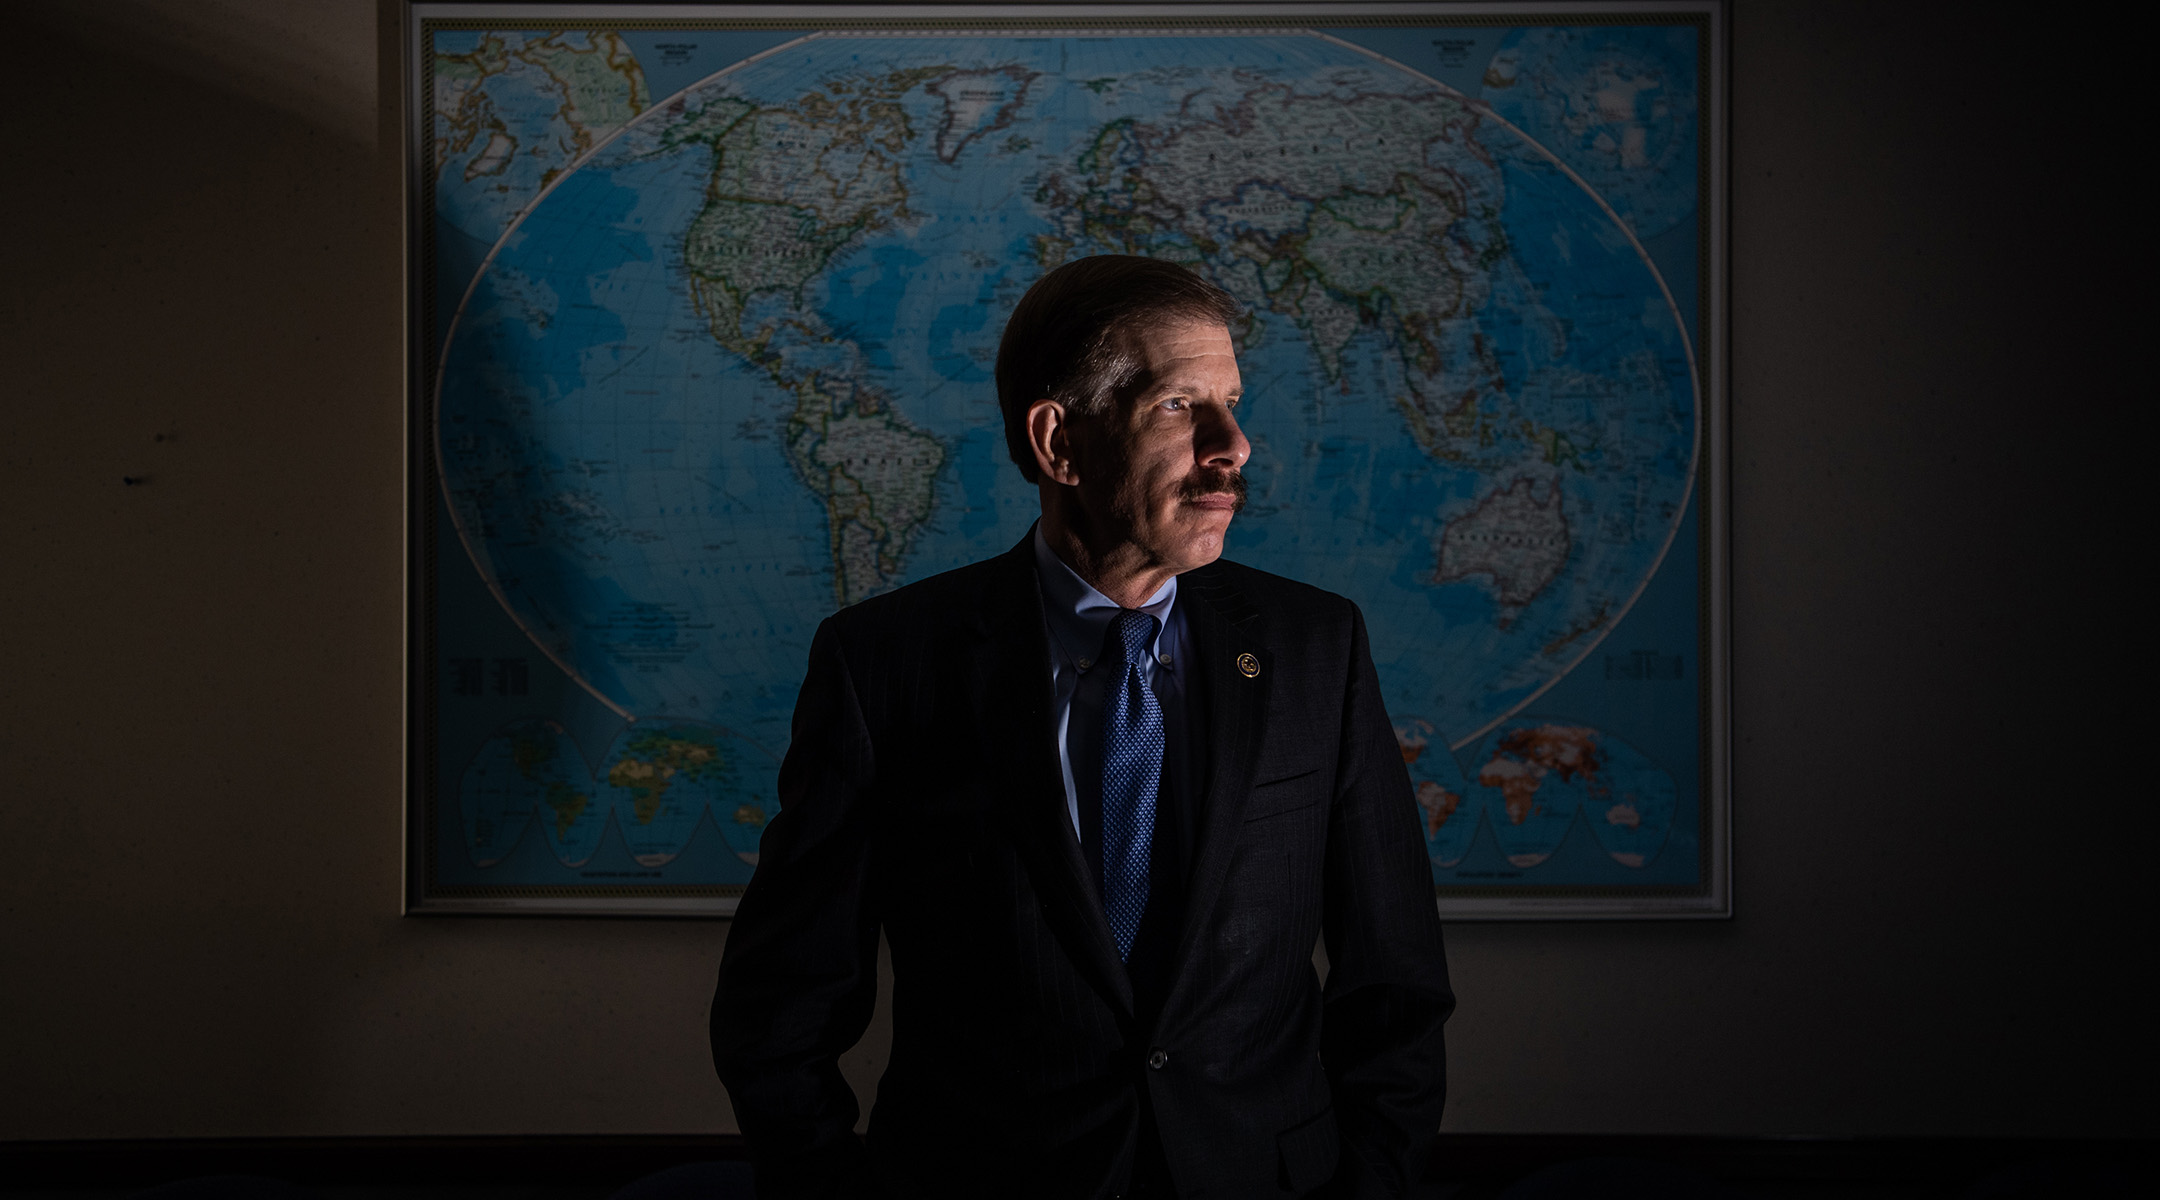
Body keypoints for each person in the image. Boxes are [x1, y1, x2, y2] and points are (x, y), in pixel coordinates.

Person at [712, 255, 1453, 1199]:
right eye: (1183, 407)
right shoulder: (887, 666)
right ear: (1059, 440)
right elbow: (780, 1006)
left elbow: (1395, 982)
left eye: (1233, 402)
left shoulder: (1318, 648)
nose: (1234, 445)